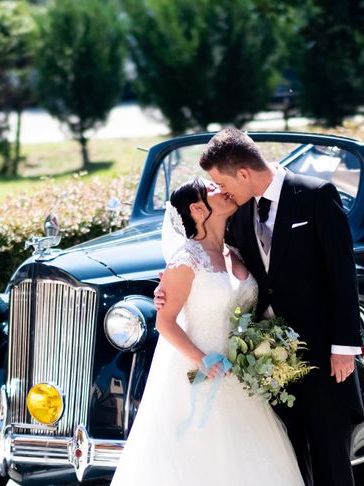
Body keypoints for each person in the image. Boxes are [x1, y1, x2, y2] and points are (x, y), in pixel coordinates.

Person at [157, 128, 364, 486]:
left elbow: (343, 273)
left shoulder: (316, 196)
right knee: (290, 462)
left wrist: (344, 346)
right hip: (266, 367)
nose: (221, 192)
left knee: (332, 461)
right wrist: (164, 292)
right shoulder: (237, 214)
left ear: (243, 173)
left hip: (323, 357)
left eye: (221, 183)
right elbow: (209, 264)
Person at [111, 178, 304, 486]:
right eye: (214, 188)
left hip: (241, 376)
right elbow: (165, 322)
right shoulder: (186, 260)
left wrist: (263, 347)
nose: (224, 188)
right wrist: (202, 359)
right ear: (198, 209)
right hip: (199, 374)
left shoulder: (235, 253)